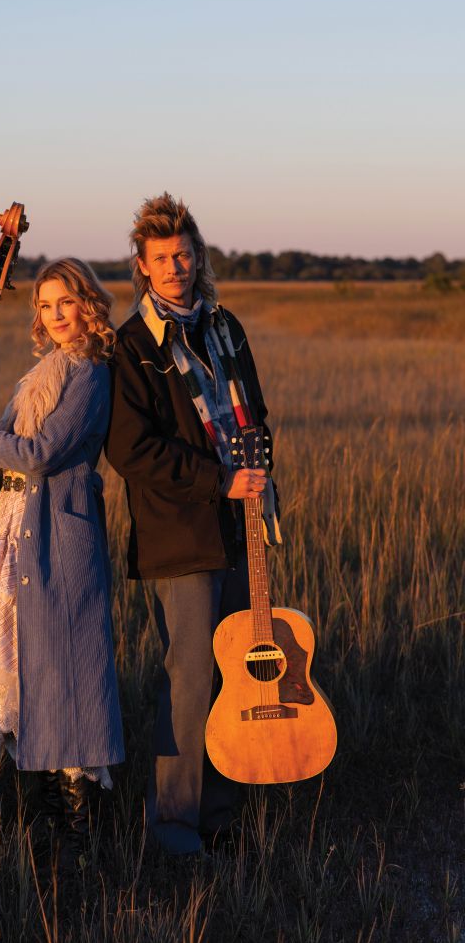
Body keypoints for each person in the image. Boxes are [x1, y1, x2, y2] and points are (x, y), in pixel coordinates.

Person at [0, 258, 124, 861]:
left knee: (70, 669)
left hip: (61, 539)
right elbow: (3, 449)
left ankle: (80, 828)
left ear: (87, 303)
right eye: (44, 305)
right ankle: (43, 813)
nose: (55, 315)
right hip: (21, 535)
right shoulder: (41, 375)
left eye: (65, 302)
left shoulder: (89, 373)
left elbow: (38, 453)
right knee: (33, 671)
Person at [105, 193, 280, 856]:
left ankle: (221, 815)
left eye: (184, 253)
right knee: (190, 678)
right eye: (161, 258)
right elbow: (131, 451)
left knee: (237, 667)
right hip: (179, 535)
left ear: (198, 255)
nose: (175, 266)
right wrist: (219, 479)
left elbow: (254, 411)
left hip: (242, 525)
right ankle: (173, 825)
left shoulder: (225, 326)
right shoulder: (132, 347)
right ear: (143, 267)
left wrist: (255, 479)